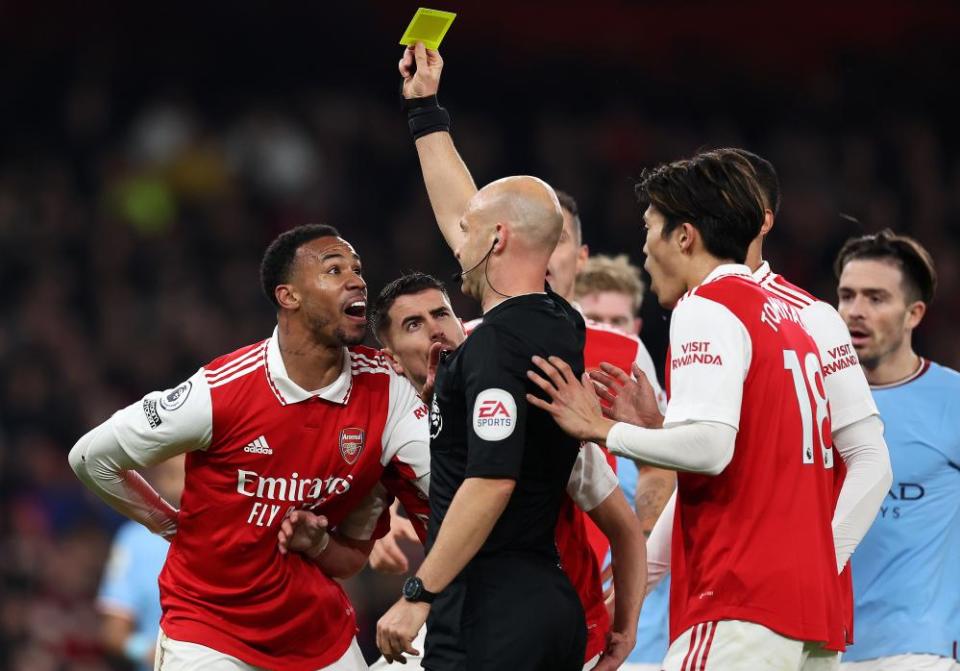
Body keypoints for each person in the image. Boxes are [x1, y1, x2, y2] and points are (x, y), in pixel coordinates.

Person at [528, 149, 848, 670]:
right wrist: (659, 429)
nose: (644, 251)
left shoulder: (708, 306)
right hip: (812, 612)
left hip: (738, 598)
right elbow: (747, 457)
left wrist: (601, 428)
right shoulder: (790, 316)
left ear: (684, 236)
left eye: (649, 230)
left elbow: (711, 448)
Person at [70, 223, 430, 671]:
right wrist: (167, 524)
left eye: (356, 269)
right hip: (209, 633)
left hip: (316, 633)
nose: (356, 279)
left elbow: (450, 493)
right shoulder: (222, 390)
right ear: (289, 296)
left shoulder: (386, 388)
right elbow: (90, 457)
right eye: (334, 269)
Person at [368, 272, 645, 670]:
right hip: (458, 622)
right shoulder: (393, 431)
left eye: (441, 314)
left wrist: (624, 632)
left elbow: (624, 528)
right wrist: (366, 529)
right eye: (414, 324)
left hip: (556, 630)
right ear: (391, 358)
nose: (435, 330)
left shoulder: (531, 407)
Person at [835, 230, 960, 671]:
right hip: (816, 649)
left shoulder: (953, 401)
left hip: (918, 652)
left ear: (914, 314)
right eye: (846, 296)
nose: (855, 312)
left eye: (875, 298)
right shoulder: (810, 404)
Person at [574, 254, 674, 671]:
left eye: (616, 323)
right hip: (578, 636)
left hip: (652, 645)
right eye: (594, 320)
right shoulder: (567, 433)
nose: (606, 334)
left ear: (634, 330)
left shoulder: (671, 436)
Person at [97, 455, 185, 671]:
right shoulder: (134, 539)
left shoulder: (232, 532)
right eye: (166, 473)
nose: (168, 481)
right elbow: (113, 633)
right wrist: (147, 652)